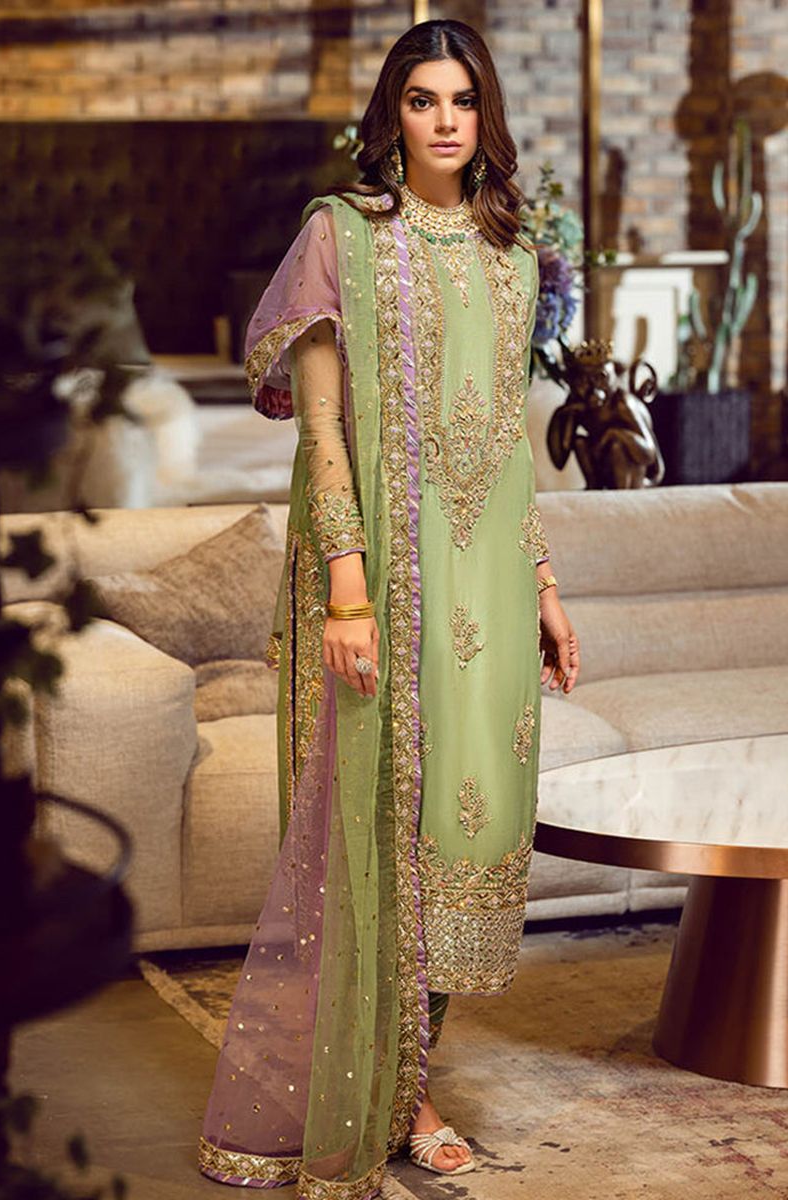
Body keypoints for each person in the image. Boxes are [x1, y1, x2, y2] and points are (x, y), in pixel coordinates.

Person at [200, 17, 580, 1199]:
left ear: (486, 115)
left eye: (462, 100)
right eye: (422, 101)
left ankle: (407, 1065)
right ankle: (398, 1098)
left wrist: (544, 588)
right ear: (392, 116)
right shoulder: (345, 237)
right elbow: (322, 430)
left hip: (489, 592)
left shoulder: (516, 254)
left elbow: (508, 445)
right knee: (383, 844)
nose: (444, 121)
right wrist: (348, 590)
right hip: (384, 594)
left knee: (469, 838)